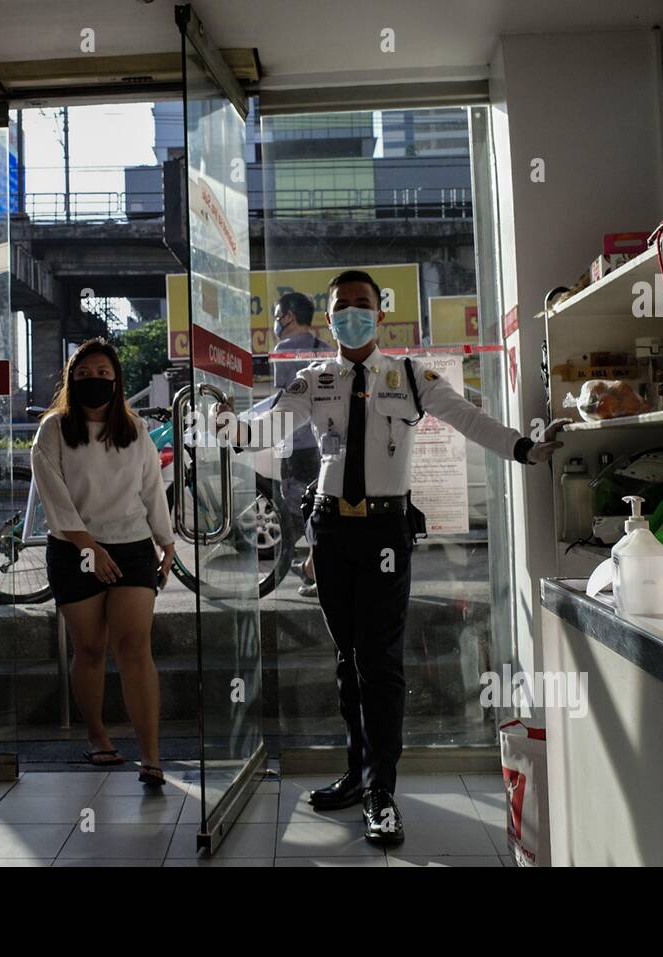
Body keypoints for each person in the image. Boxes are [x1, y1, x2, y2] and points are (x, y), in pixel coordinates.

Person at [222, 269, 567, 845]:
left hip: (384, 532)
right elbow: (266, 426)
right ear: (327, 319)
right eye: (342, 307)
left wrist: (525, 448)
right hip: (330, 532)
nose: (352, 314)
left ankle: (382, 790)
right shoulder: (315, 379)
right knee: (347, 658)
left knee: (378, 663)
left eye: (362, 305)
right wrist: (224, 428)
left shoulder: (406, 375)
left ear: (379, 314)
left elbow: (468, 418)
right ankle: (358, 776)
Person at [29, 338, 175, 787]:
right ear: (72, 379)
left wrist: (166, 542)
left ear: (117, 380)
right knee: (90, 649)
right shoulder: (54, 429)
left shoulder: (135, 431)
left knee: (135, 649)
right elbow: (52, 492)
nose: (95, 381)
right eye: (85, 374)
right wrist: (87, 545)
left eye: (103, 374)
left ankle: (150, 756)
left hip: (131, 547)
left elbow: (152, 489)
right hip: (74, 550)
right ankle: (98, 736)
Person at [271, 291, 330, 597]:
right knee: (321, 510)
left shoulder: (284, 350)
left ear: (289, 317)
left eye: (277, 316)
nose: (276, 323)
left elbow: (284, 403)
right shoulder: (327, 348)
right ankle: (311, 567)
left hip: (296, 445)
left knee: (299, 509)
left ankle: (314, 570)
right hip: (325, 445)